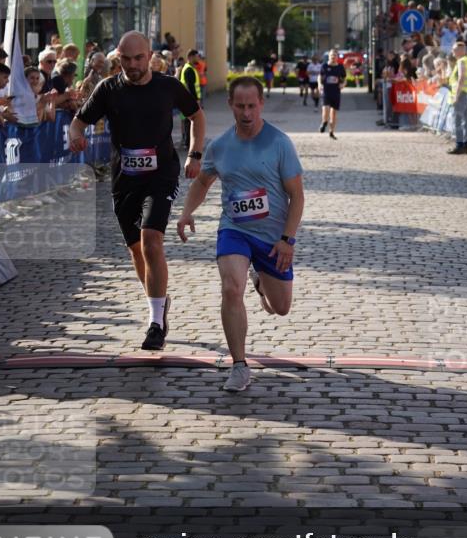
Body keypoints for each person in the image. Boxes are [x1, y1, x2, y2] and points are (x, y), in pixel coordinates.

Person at [69, 32, 206, 350]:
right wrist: (75, 134)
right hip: (124, 180)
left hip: (161, 176)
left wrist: (195, 153)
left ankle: (155, 323)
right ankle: (160, 301)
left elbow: (197, 116)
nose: (132, 65)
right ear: (118, 58)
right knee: (136, 250)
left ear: (149, 57)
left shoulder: (168, 86)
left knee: (151, 241)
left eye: (138, 58)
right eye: (125, 59)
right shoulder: (108, 88)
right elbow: (80, 120)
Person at [176, 76, 304, 392]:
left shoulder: (279, 143)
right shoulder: (220, 146)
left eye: (252, 106)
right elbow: (202, 182)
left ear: (261, 104)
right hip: (234, 230)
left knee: (281, 307)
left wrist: (287, 239)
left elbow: (297, 196)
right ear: (230, 105)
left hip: (272, 238)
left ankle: (262, 285)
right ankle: (239, 365)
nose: (246, 113)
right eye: (240, 106)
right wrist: (186, 212)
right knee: (231, 288)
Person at [447, 42, 467, 154]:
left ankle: (459, 146)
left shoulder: (461, 61)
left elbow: (461, 77)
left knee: (457, 121)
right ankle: (466, 146)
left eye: (454, 50)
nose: (453, 52)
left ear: (461, 50)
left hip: (462, 95)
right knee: (466, 121)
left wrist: (456, 96)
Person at [318, 48, 346, 139]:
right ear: (328, 56)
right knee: (325, 108)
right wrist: (319, 84)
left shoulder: (340, 67)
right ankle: (324, 122)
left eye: (334, 55)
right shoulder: (324, 66)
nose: (333, 57)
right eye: (331, 55)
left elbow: (344, 79)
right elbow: (320, 76)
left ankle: (331, 132)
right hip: (326, 90)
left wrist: (343, 84)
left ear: (337, 57)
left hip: (336, 92)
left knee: (333, 113)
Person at [179, 48, 201, 150]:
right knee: (190, 122)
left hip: (184, 99)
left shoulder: (188, 68)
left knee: (187, 122)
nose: (198, 58)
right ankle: (188, 143)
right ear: (191, 57)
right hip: (188, 100)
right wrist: (195, 99)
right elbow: (190, 86)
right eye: (196, 56)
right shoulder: (189, 69)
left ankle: (186, 142)